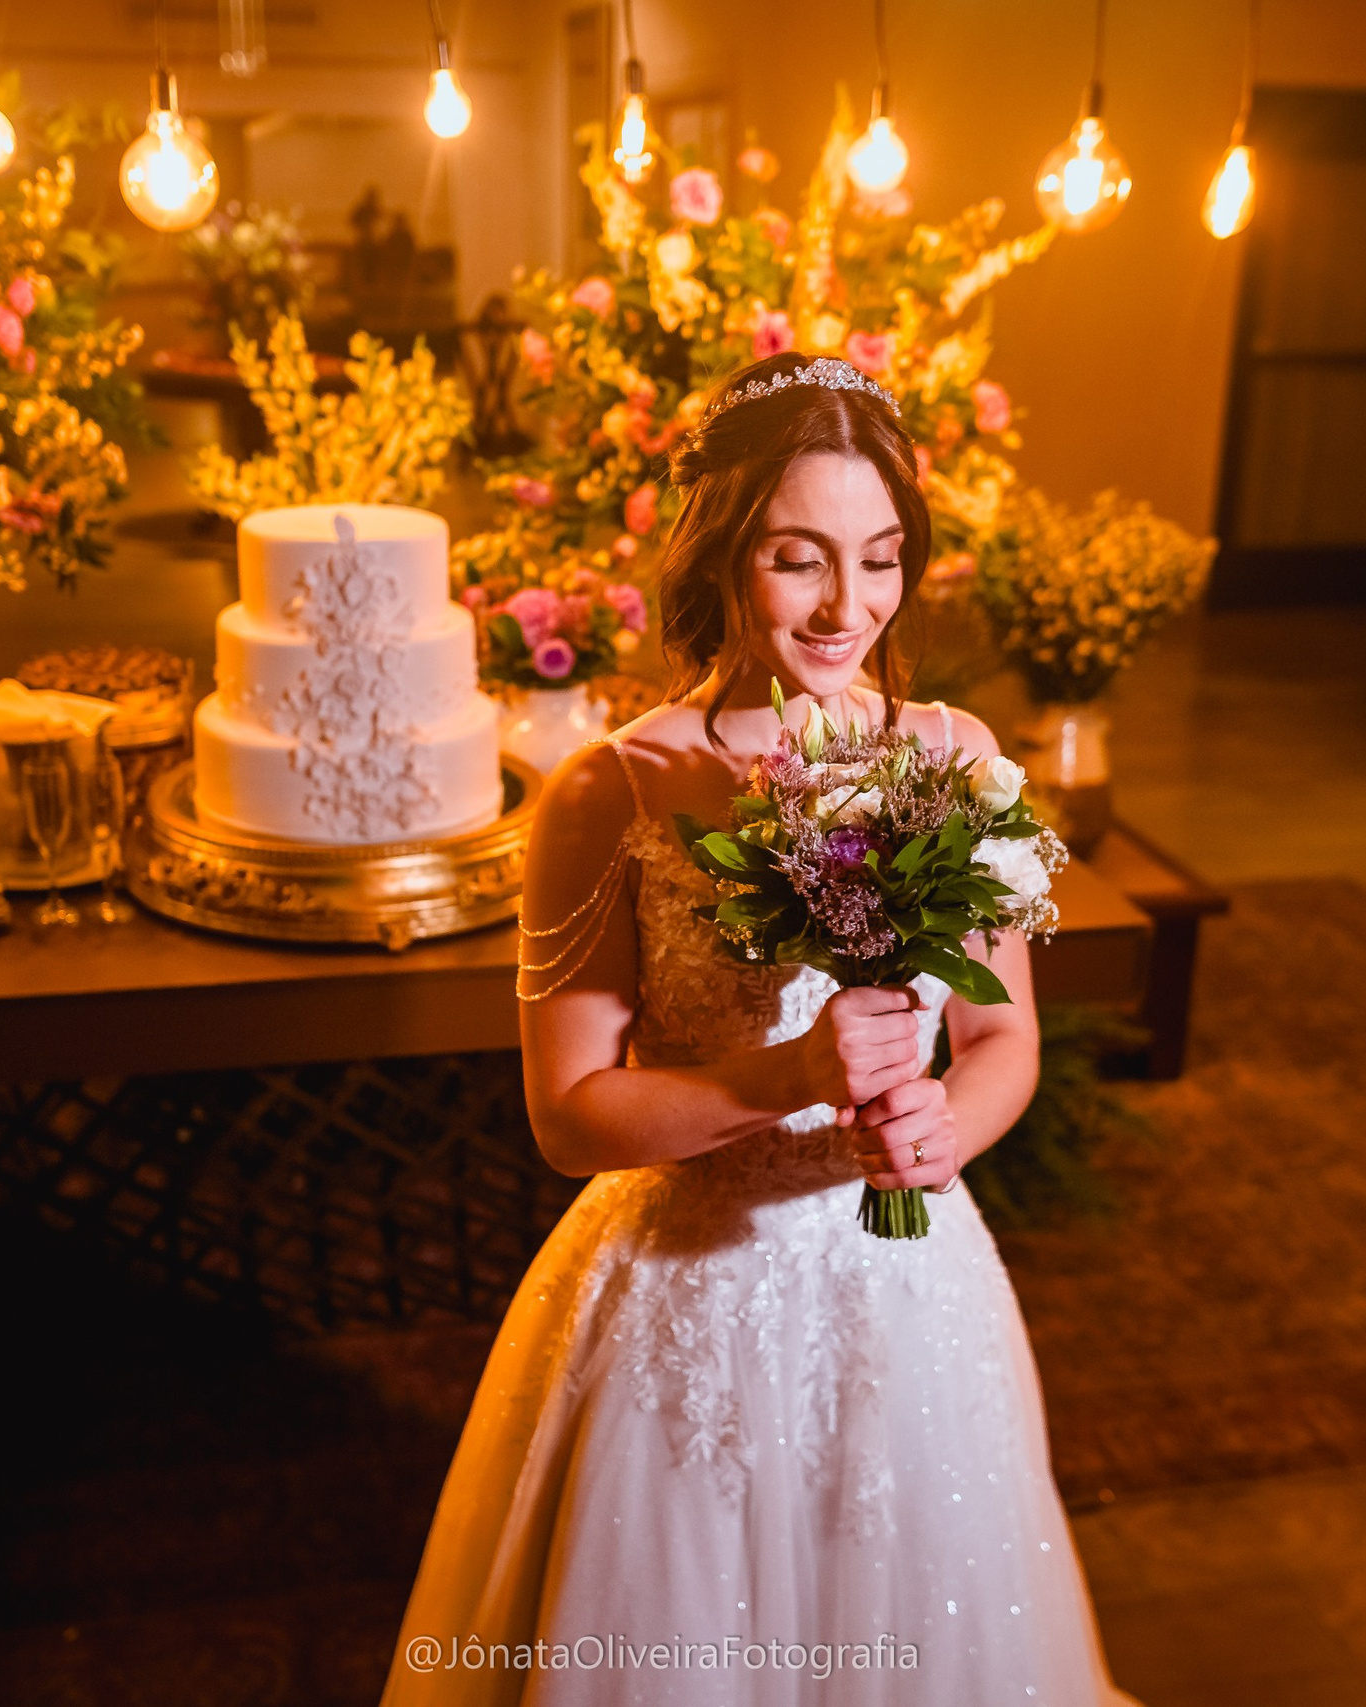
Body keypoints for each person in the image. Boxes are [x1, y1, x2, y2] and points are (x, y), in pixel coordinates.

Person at [379, 352, 1138, 1705]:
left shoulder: (954, 752)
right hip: (690, 1284)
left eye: (883, 556)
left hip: (909, 1286)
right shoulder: (606, 792)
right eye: (802, 558)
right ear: (728, 552)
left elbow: (1003, 1038)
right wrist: (787, 1071)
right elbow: (570, 1114)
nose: (851, 604)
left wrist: (937, 1129)